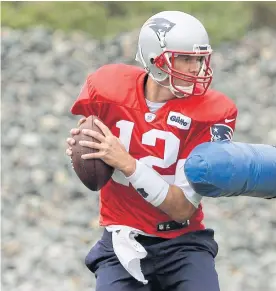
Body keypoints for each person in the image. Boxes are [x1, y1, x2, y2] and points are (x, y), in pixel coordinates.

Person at [65, 11, 237, 291]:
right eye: (186, 58)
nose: (196, 69)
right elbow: (90, 140)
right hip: (122, 240)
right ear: (156, 59)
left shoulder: (213, 112)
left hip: (183, 244)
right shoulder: (108, 87)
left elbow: (182, 209)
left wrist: (128, 163)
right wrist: (82, 146)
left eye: (199, 59)